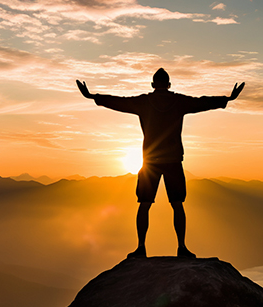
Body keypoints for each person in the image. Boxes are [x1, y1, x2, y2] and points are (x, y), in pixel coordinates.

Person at [76, 68, 244, 259]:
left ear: (153, 85)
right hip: (173, 160)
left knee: (144, 204)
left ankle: (141, 248)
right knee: (178, 204)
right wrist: (227, 99)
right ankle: (182, 247)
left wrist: (93, 96)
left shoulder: (143, 102)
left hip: (150, 162)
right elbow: (202, 102)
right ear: (169, 85)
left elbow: (119, 102)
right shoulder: (179, 101)